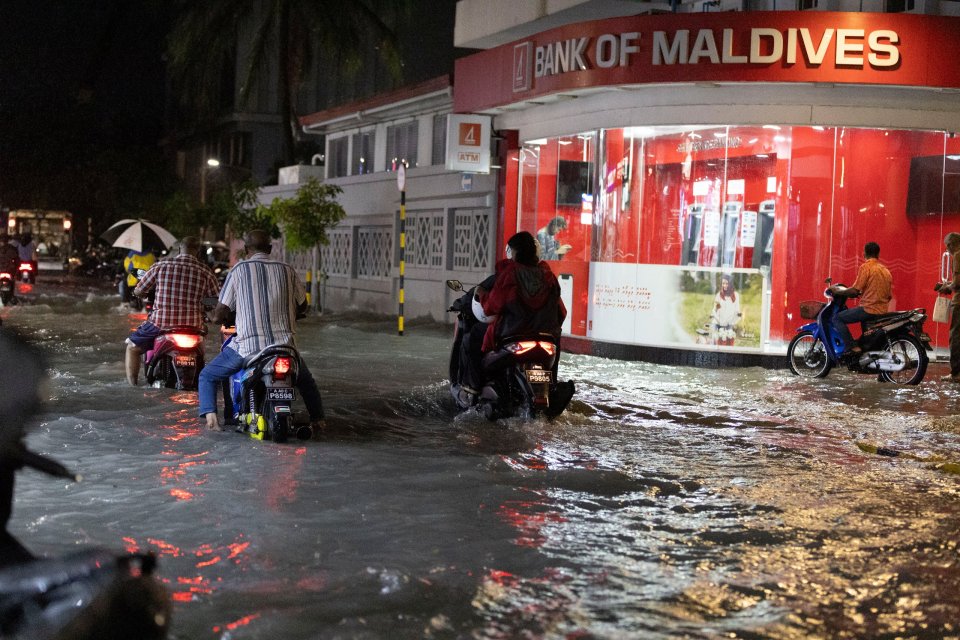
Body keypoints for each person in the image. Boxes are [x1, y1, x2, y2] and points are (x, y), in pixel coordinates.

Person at [199, 229, 326, 433]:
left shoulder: (238, 270)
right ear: (270, 248)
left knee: (207, 375)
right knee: (306, 382)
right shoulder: (287, 269)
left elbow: (221, 312)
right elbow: (303, 306)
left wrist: (212, 316)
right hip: (285, 347)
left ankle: (213, 420)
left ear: (246, 250)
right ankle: (319, 420)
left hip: (248, 348)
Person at [124, 236, 220, 386]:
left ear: (179, 249)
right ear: (198, 252)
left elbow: (139, 290)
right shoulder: (207, 272)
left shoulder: (161, 265)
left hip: (161, 324)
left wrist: (138, 293)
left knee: (132, 347)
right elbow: (216, 301)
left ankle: (133, 386)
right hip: (194, 328)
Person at [482, 231, 566, 355]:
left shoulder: (509, 275)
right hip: (547, 338)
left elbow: (491, 307)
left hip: (511, 336)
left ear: (515, 251)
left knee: (476, 336)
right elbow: (562, 312)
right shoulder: (549, 277)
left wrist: (482, 295)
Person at [829, 241, 892, 355]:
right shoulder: (885, 271)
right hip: (882, 311)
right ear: (878, 254)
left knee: (837, 318)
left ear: (865, 253)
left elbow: (854, 290)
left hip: (868, 310)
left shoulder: (866, 267)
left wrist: (838, 291)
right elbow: (888, 296)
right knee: (866, 336)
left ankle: (851, 346)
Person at [935, 232, 960, 382]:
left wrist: (946, 287)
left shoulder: (957, 255)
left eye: (947, 245)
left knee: (955, 337)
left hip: (959, 302)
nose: (947, 249)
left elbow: (957, 283)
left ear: (952, 244)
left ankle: (956, 373)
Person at [710, 273, 742, 346]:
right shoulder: (719, 295)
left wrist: (734, 321)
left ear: (730, 284)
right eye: (723, 283)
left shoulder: (736, 295)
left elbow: (737, 311)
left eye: (726, 283)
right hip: (718, 322)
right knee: (715, 339)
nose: (724, 285)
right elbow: (714, 310)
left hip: (729, 323)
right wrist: (719, 320)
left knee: (728, 341)